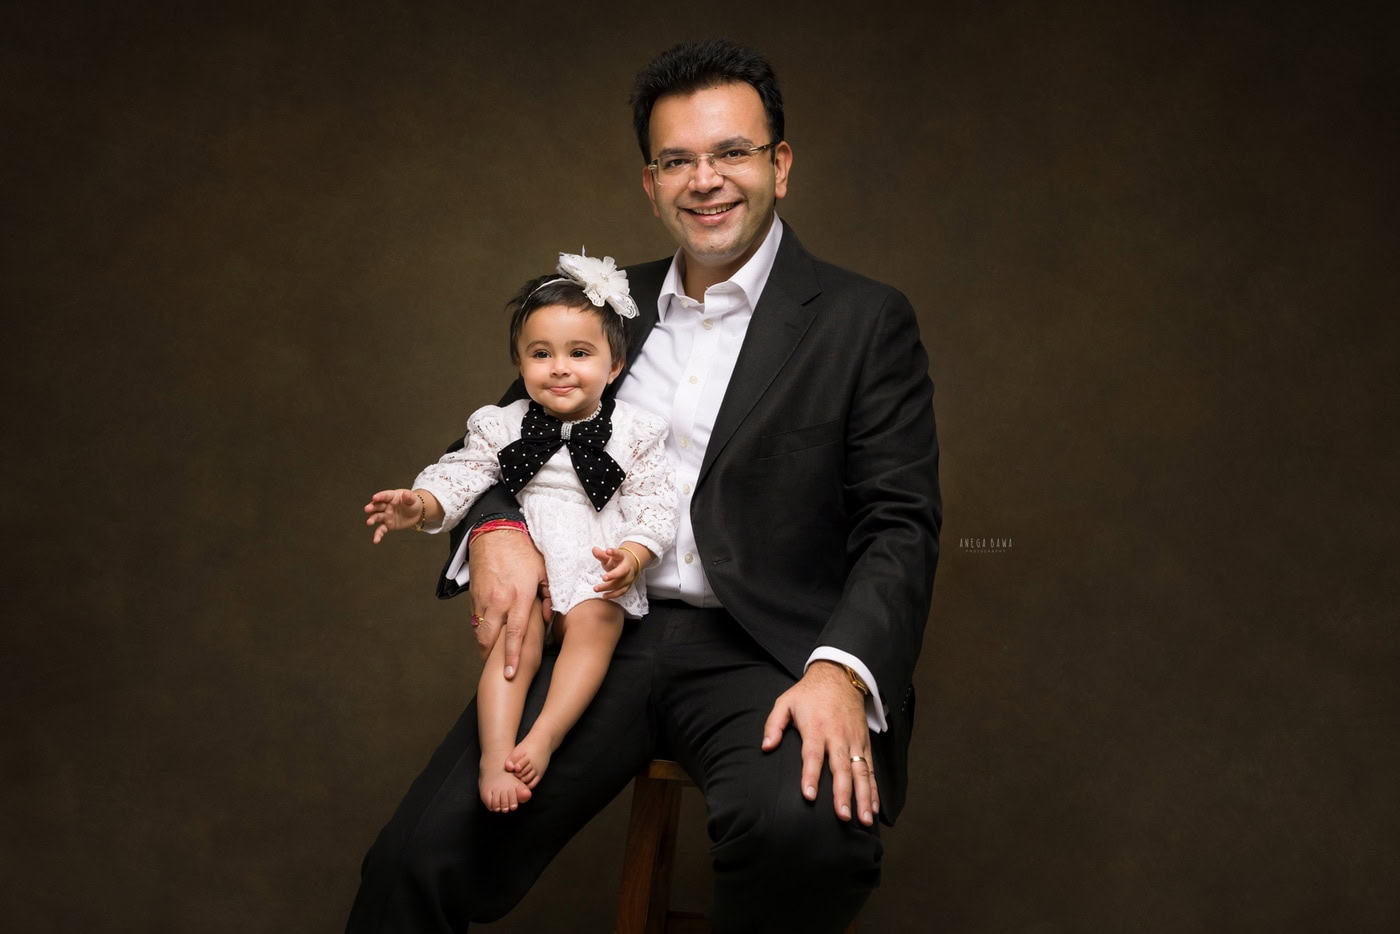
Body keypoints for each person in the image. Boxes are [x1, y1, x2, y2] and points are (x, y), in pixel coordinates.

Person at [347, 38, 941, 933]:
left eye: (732, 152)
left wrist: (842, 674)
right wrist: (499, 534)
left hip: (768, 652)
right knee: (412, 863)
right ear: (650, 184)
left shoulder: (863, 320)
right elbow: (495, 449)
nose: (706, 180)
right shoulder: (600, 306)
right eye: (678, 160)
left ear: (779, 166)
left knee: (806, 841)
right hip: (603, 634)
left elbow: (900, 525)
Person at [361, 254, 678, 813]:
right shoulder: (500, 425)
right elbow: (462, 473)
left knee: (598, 620)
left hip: (592, 561)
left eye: (579, 354)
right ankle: (496, 751)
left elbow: (657, 503)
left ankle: (545, 735)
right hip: (530, 558)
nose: (559, 368)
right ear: (519, 361)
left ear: (614, 366)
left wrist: (634, 553)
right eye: (541, 354)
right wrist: (421, 502)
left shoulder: (635, 433)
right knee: (516, 640)